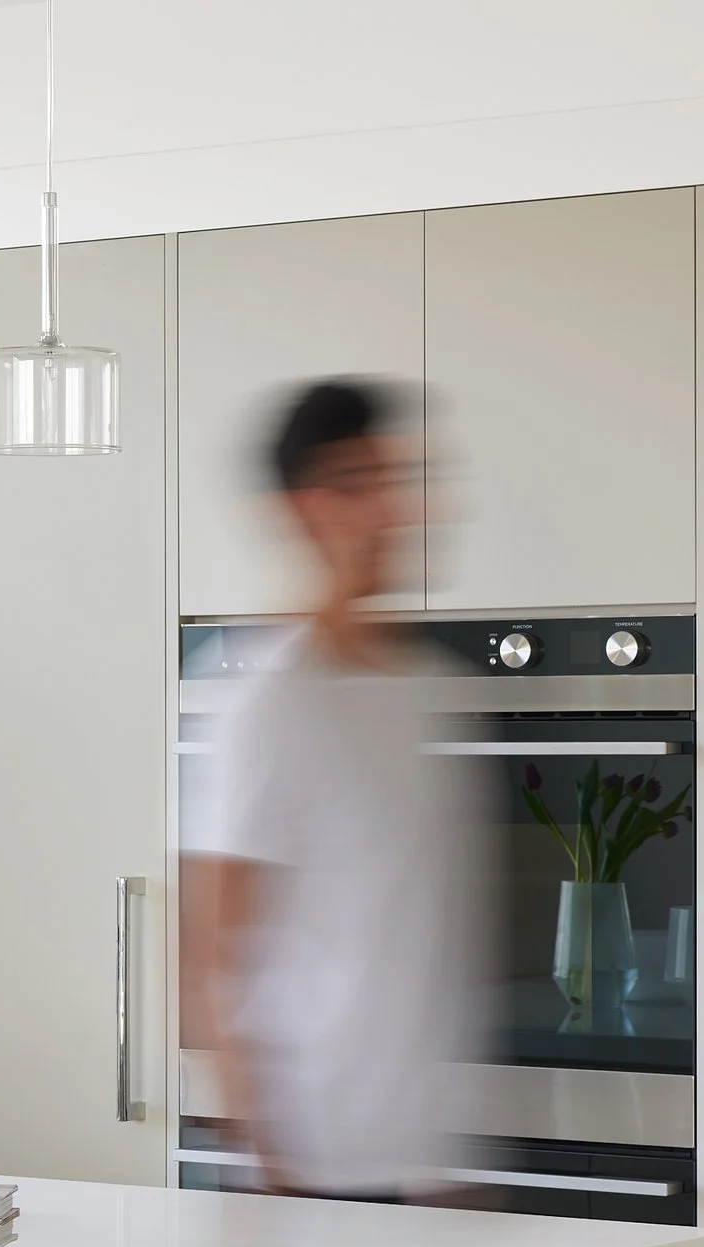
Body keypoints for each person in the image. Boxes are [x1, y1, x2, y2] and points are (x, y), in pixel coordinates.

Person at [181, 379, 479, 1200]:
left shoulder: (422, 690)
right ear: (299, 511)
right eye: (357, 486)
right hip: (314, 1179)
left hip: (418, 1170)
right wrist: (273, 1185)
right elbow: (211, 961)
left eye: (396, 482)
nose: (389, 511)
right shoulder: (269, 705)